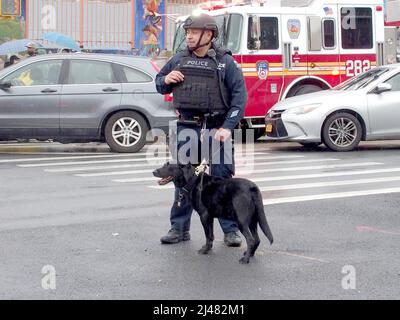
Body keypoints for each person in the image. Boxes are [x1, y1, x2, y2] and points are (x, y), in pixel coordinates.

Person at [155, 13, 248, 246]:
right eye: (187, 32)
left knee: (221, 180)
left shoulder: (226, 62)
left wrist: (228, 127)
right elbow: (158, 82)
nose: (188, 36)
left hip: (217, 129)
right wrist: (166, 79)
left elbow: (239, 98)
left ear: (208, 35)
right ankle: (179, 228)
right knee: (183, 180)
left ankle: (230, 230)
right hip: (187, 127)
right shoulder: (178, 59)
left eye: (193, 32)